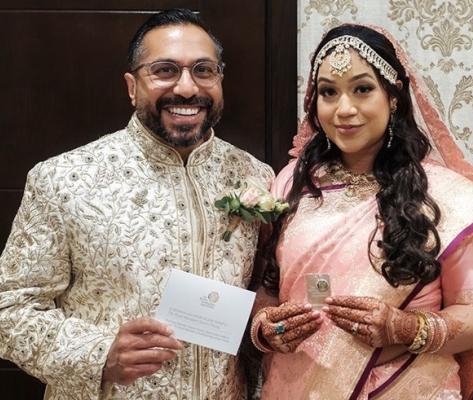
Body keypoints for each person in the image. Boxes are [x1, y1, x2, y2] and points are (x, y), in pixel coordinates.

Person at [0, 8, 273, 400]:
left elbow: (264, 290)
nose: (185, 88)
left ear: (220, 81)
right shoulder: (64, 179)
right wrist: (99, 354)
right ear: (132, 86)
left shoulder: (255, 177)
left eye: (203, 70)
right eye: (164, 70)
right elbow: (9, 308)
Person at [249, 23, 473, 399]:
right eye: (328, 92)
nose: (344, 109)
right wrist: (266, 328)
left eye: (362, 89)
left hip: (406, 386)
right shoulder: (292, 184)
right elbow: (268, 286)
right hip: (298, 384)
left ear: (393, 97)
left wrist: (405, 328)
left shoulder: (445, 196)